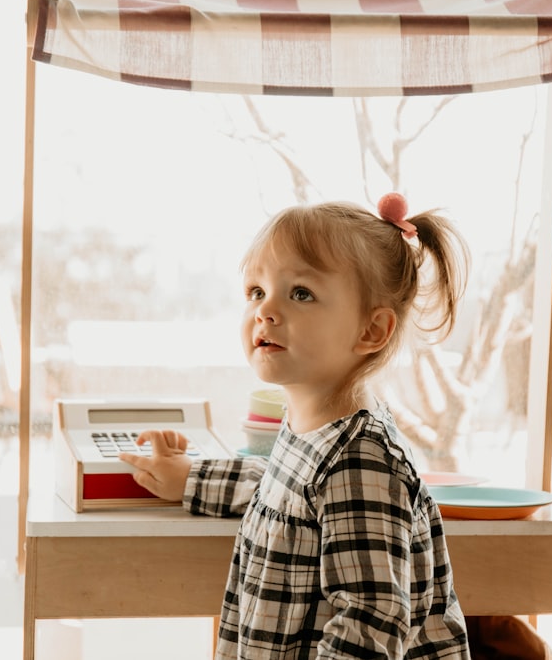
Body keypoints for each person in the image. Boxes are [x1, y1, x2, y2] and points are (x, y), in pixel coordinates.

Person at [119, 194, 472, 659]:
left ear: (371, 332)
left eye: (300, 293)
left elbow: (368, 625)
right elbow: (278, 491)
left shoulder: (362, 460)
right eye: (256, 292)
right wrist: (191, 477)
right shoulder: (315, 431)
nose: (265, 310)